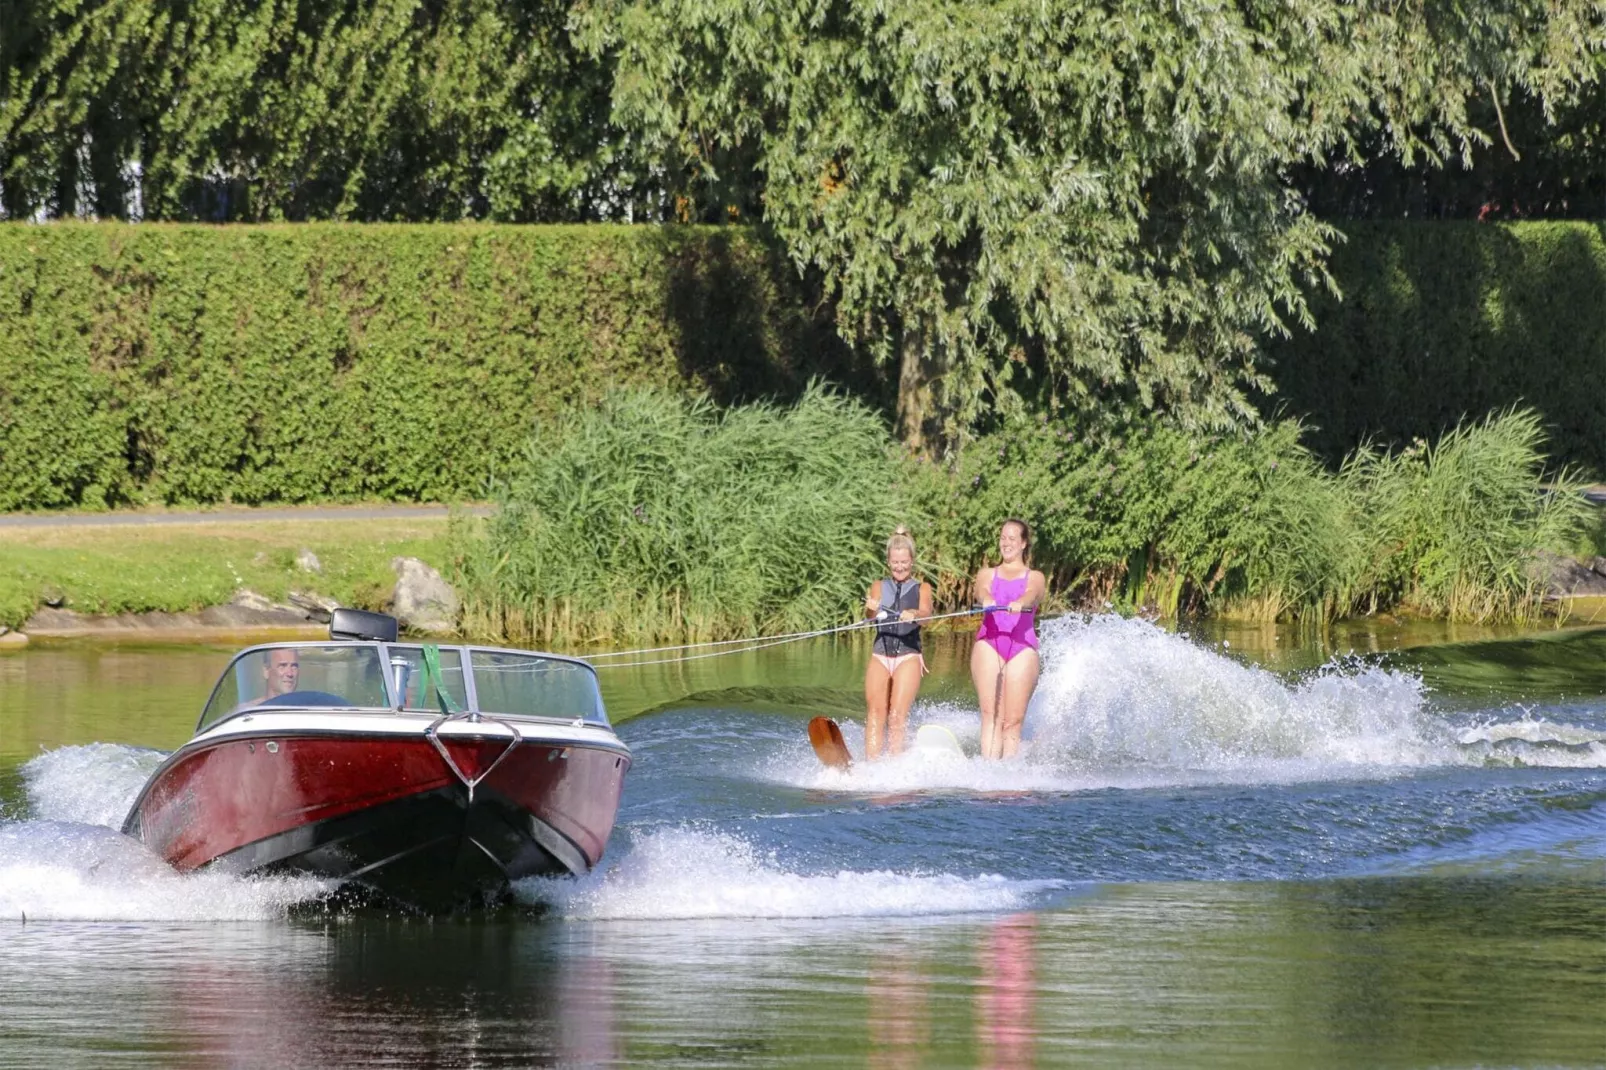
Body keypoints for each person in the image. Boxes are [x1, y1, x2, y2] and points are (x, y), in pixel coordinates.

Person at [971, 519, 1045, 759]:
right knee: (991, 713)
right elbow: (981, 590)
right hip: (990, 643)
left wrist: (1020, 603)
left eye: (1012, 538)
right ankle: (989, 770)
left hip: (1022, 647)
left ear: (1023, 543)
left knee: (1012, 720)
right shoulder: (987, 573)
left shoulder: (1035, 576)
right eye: (1003, 537)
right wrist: (986, 599)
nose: (1006, 542)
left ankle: (1010, 776)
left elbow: (1033, 594)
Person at [863, 526, 933, 759]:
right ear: (888, 561)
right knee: (876, 712)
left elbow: (927, 616)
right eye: (895, 562)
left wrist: (915, 613)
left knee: (896, 715)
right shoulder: (878, 586)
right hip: (880, 654)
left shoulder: (923, 588)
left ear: (912, 561)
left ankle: (894, 763)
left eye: (904, 562)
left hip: (908, 655)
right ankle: (871, 763)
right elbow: (869, 617)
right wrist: (870, 608)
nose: (899, 567)